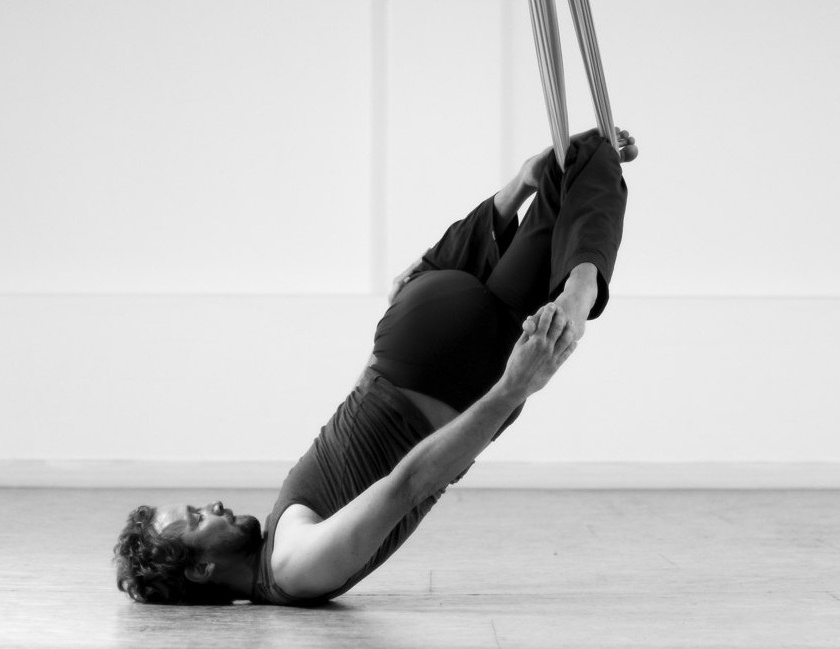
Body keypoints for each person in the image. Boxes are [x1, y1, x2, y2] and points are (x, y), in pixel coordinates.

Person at [114, 128, 638, 606]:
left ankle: (546, 216)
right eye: (197, 518)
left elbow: (356, 424)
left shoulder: (276, 543)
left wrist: (396, 320)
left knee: (571, 164)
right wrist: (512, 389)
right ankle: (580, 281)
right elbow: (407, 483)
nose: (214, 506)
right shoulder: (295, 568)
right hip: (457, 370)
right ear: (202, 569)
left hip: (421, 353)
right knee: (582, 163)